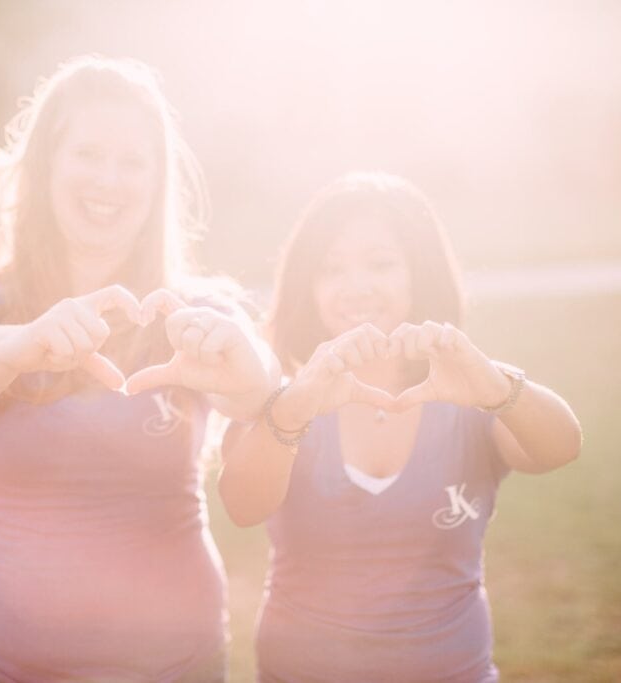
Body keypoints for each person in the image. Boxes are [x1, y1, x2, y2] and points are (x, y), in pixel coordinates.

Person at [0, 55, 278, 682]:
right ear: (46, 163)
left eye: (133, 162)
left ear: (158, 185)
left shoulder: (199, 312)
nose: (110, 179)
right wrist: (22, 345)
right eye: (89, 153)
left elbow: (258, 388)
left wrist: (246, 369)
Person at [218, 172, 582, 682]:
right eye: (330, 269)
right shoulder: (283, 397)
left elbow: (561, 447)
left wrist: (498, 389)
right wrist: (292, 410)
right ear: (308, 285)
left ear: (420, 275)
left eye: (381, 264)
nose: (356, 287)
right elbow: (241, 505)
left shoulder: (471, 390)